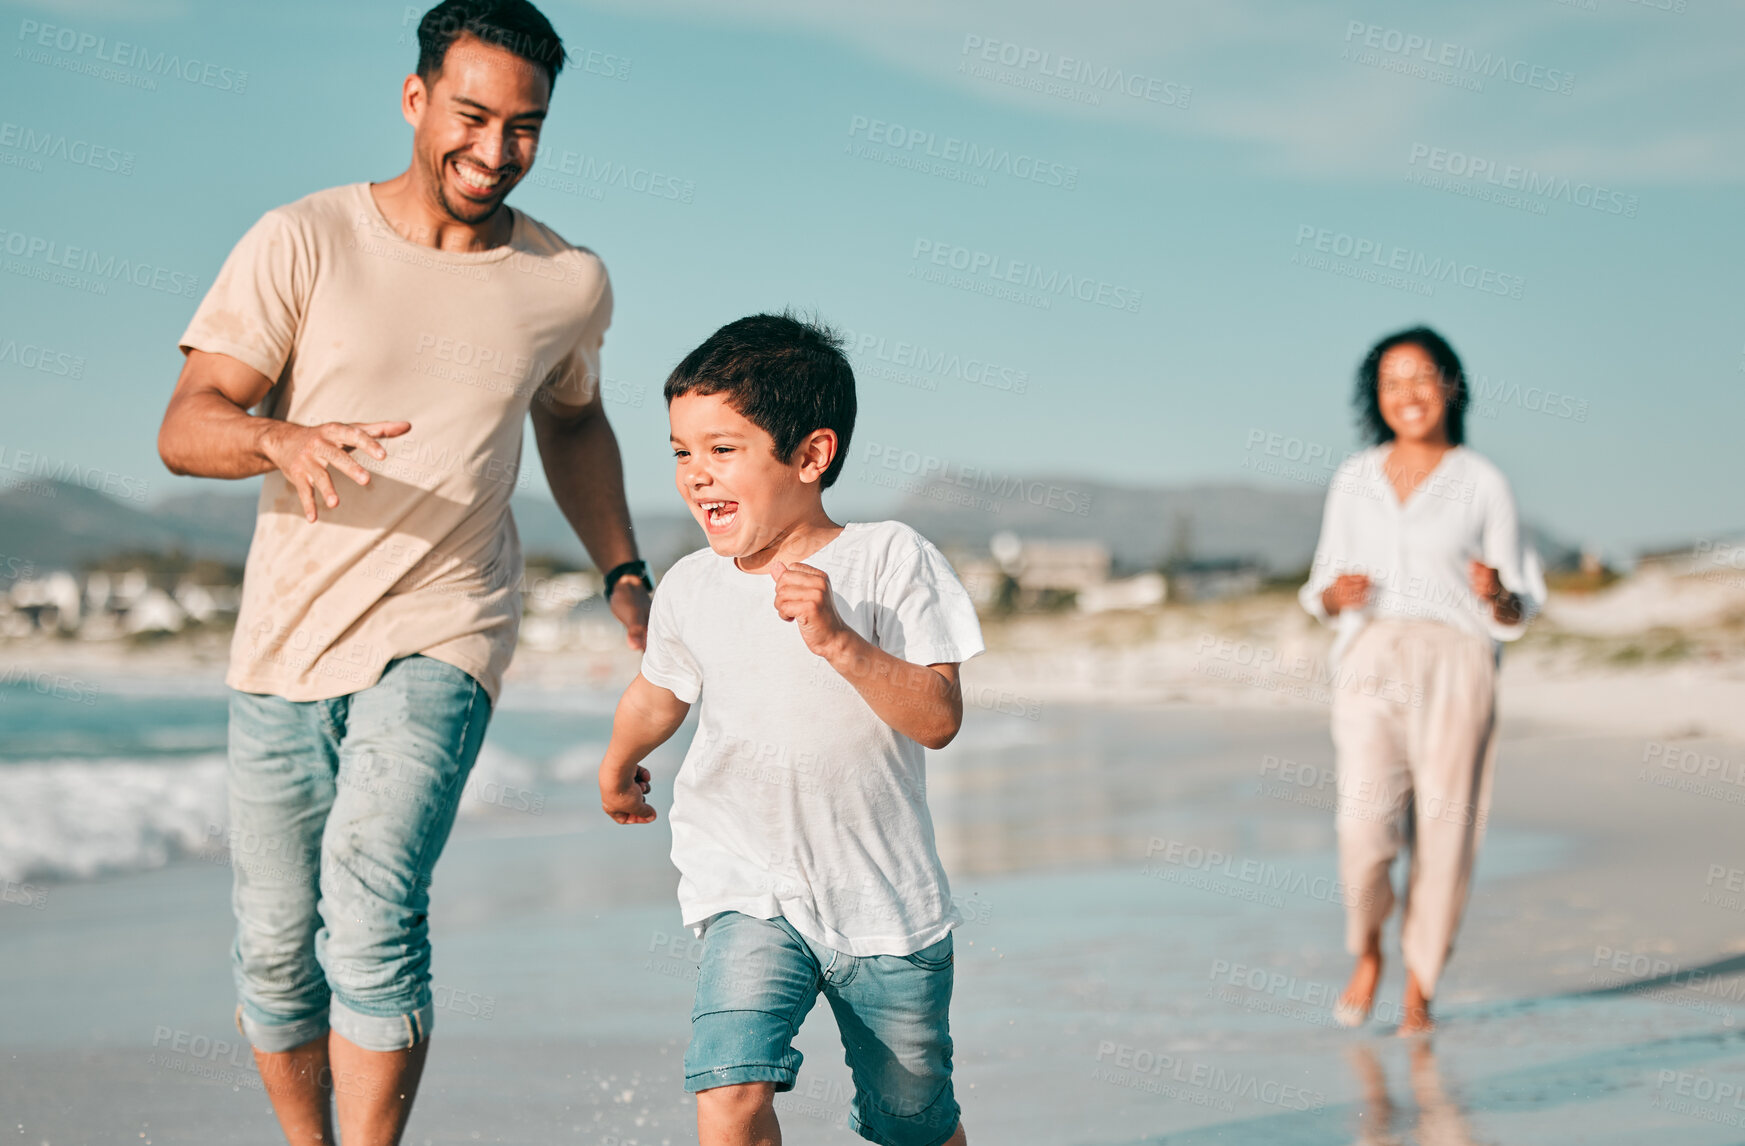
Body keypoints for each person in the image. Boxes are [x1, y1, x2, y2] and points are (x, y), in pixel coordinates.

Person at [154, 3, 651, 1142]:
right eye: (472, 115)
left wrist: (621, 564)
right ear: (416, 98)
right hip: (286, 636)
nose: (494, 150)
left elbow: (573, 423)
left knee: (372, 896)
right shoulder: (303, 239)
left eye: (524, 128)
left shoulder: (565, 281)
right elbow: (188, 425)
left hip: (448, 622)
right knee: (277, 944)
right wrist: (280, 438)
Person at [597, 313, 980, 1146]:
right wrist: (619, 760)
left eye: (722, 450)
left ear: (810, 456)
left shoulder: (889, 558)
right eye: (680, 452)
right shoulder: (693, 587)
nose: (696, 476)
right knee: (729, 1088)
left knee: (912, 1123)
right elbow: (658, 692)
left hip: (885, 905)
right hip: (749, 888)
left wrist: (841, 640)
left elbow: (938, 718)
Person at [1298, 326, 1544, 1036]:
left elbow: (1519, 601)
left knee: (1446, 829)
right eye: (1391, 382)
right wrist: (1333, 596)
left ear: (1450, 386)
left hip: (1456, 660)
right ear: (1374, 398)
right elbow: (1318, 585)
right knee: (1363, 829)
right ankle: (1367, 949)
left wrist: (1496, 591)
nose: (1407, 393)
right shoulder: (1354, 477)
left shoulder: (1483, 480)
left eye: (1421, 377)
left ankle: (1420, 985)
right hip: (1370, 655)